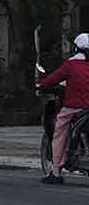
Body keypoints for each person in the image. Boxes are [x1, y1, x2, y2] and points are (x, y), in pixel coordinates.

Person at [38, 32, 89, 184]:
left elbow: (53, 79)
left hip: (75, 107)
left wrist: (41, 85)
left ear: (76, 49)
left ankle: (55, 172)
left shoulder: (71, 65)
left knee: (59, 133)